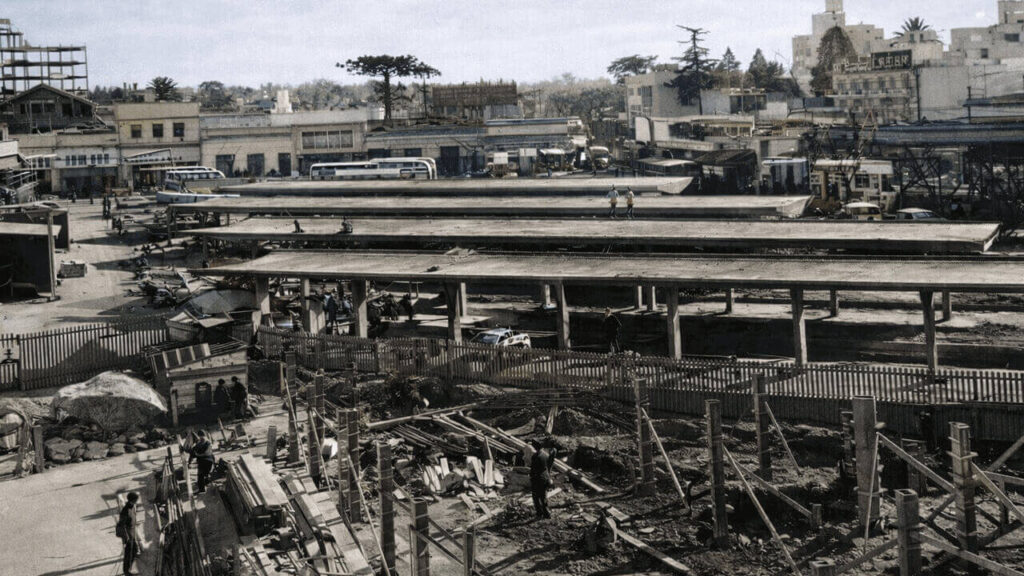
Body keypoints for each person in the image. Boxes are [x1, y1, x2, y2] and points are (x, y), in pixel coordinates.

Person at [530, 440, 557, 519]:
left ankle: (539, 513)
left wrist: (531, 477)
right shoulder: (546, 454)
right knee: (543, 496)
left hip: (537, 478)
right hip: (545, 477)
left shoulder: (535, 456)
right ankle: (547, 513)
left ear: (535, 447)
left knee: (535, 497)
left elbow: (533, 469)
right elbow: (548, 466)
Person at [118, 492, 141, 575]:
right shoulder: (125, 511)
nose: (137, 501)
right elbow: (121, 525)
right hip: (128, 536)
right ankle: (126, 571)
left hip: (132, 534)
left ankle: (129, 569)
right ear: (132, 500)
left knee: (134, 551)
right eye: (136, 499)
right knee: (128, 554)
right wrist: (126, 538)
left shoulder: (133, 506)